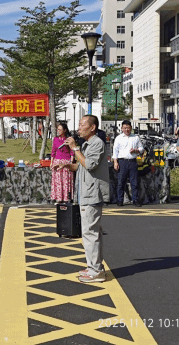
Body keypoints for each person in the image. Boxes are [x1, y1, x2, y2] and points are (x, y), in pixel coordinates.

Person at [57, 115, 109, 283]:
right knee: (90, 233)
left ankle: (96, 271)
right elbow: (81, 166)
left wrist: (74, 148)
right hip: (85, 193)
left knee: (90, 233)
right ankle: (94, 266)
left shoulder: (97, 143)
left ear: (92, 127)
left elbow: (90, 165)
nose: (78, 128)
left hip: (92, 194)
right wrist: (67, 165)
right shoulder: (86, 145)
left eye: (82, 125)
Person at [112, 120, 144, 207]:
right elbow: (115, 151)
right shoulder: (118, 138)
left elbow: (141, 149)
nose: (127, 130)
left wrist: (136, 150)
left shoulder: (135, 137)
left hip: (132, 161)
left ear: (131, 128)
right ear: (122, 128)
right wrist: (115, 162)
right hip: (122, 161)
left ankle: (135, 199)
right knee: (121, 182)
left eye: (128, 128)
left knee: (134, 182)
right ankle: (120, 200)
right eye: (125, 128)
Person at [50, 123, 74, 203]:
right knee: (58, 181)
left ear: (65, 130)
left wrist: (71, 162)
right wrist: (51, 162)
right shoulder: (55, 139)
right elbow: (53, 151)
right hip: (57, 161)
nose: (58, 131)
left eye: (60, 129)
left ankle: (66, 198)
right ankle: (58, 198)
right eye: (58, 129)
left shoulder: (69, 139)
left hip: (66, 161)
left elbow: (72, 151)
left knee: (65, 181)